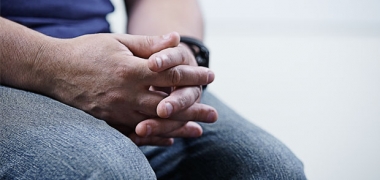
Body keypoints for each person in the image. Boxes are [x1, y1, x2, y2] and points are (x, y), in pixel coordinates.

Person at [0, 0, 306, 179]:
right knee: (105, 170)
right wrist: (53, 64)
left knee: (271, 168)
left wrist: (171, 59)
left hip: (103, 62)